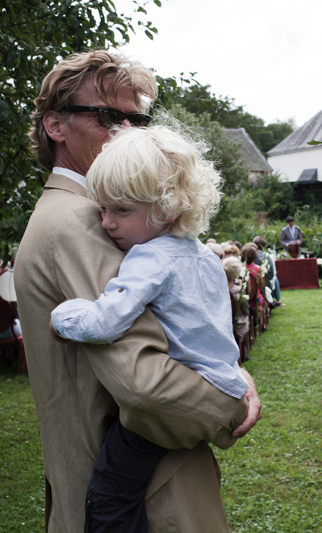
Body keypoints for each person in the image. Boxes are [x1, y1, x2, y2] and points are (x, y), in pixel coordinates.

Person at [14, 50, 261, 533]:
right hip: (148, 501)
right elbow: (145, 384)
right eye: (107, 116)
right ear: (56, 127)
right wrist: (231, 401)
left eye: (137, 118)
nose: (127, 131)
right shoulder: (85, 222)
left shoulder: (97, 215)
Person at [49, 124, 248, 531]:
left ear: (168, 209)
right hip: (223, 386)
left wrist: (63, 318)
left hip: (184, 397)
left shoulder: (148, 258)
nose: (106, 223)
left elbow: (106, 322)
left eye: (122, 210)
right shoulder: (205, 257)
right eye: (102, 208)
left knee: (110, 493)